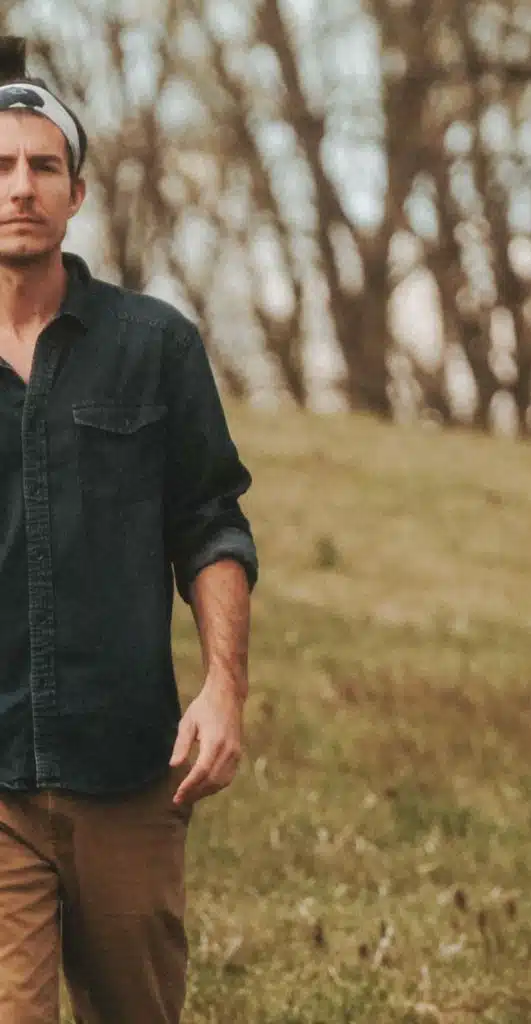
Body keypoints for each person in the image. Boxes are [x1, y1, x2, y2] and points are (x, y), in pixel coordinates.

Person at [0, 36, 258, 1023]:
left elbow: (211, 524)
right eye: (0, 166)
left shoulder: (155, 347)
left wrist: (225, 688)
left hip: (128, 776)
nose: (20, 187)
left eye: (43, 167)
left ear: (76, 194)